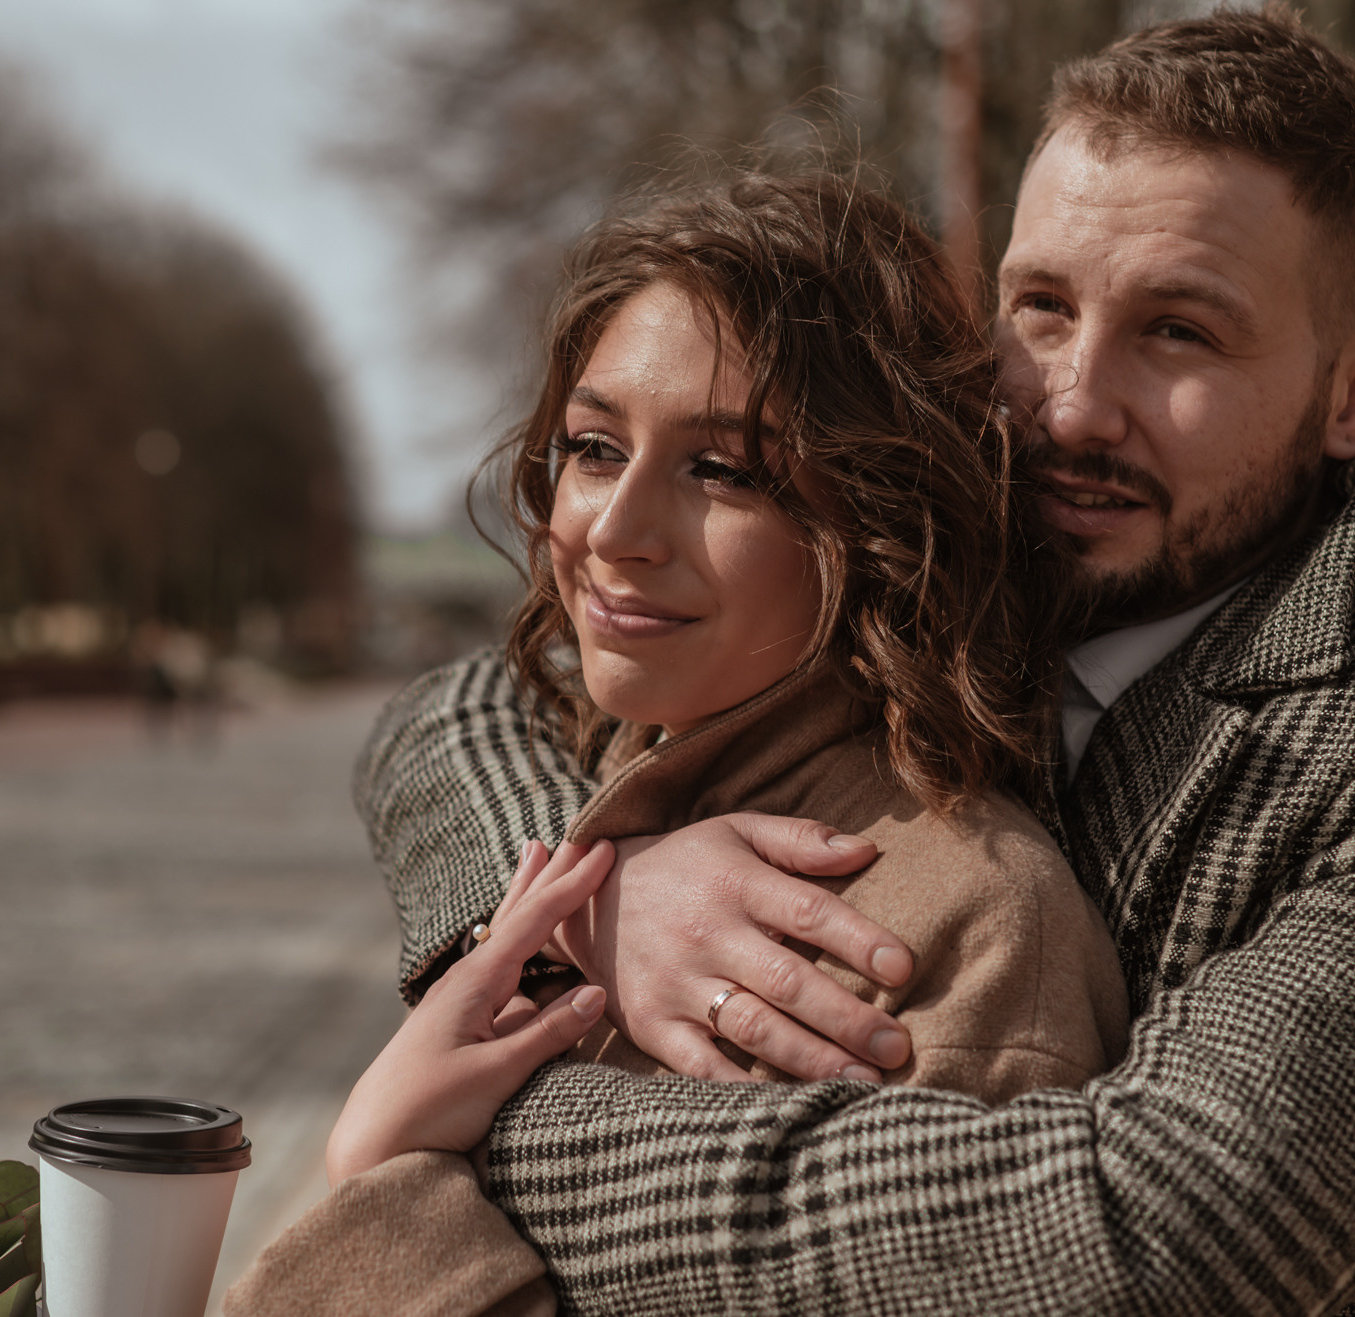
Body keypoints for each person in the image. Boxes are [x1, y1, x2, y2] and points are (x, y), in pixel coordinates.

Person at [353, 9, 1355, 1315]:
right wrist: (596, 896)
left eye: (1180, 333)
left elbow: (1146, 1244)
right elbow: (461, 709)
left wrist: (481, 1115)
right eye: (1043, 308)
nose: (1072, 406)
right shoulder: (945, 572)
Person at [226, 172, 1129, 1317]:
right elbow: (438, 717)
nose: (616, 531)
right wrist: (590, 897)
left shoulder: (977, 932)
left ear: (881, 519)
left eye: (723, 470)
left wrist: (389, 1179)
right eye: (595, 447)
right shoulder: (594, 764)